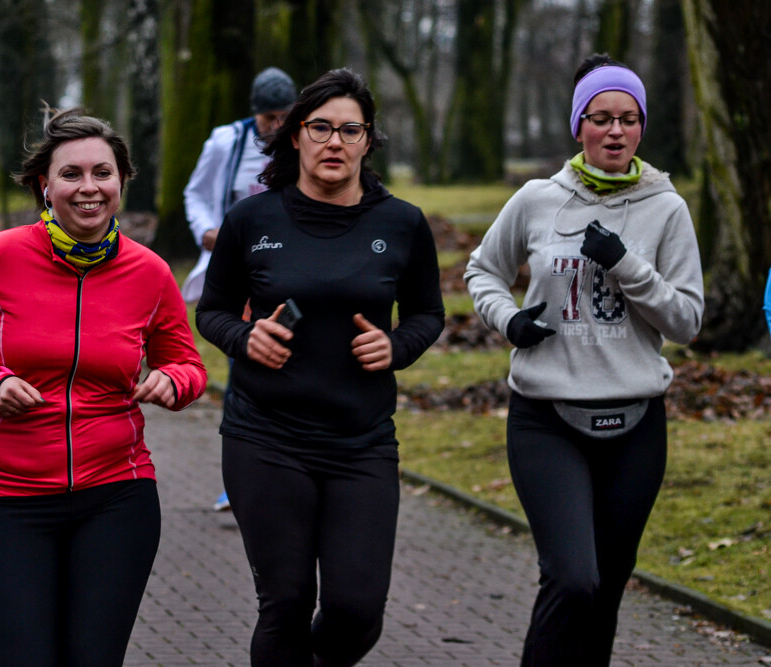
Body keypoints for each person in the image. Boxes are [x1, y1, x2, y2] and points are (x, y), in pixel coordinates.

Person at [0, 106, 207, 666]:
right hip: (8, 498)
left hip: (117, 499)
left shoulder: (149, 272)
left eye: (102, 173)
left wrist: (174, 380)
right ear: (44, 185)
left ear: (122, 181)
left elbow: (188, 365)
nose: (88, 188)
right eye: (71, 174)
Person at [196, 68, 444, 666]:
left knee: (357, 611)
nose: (335, 142)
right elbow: (213, 311)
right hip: (266, 436)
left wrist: (397, 347)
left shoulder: (402, 223)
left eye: (350, 130)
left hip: (361, 442)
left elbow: (427, 314)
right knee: (283, 604)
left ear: (368, 141)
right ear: (296, 136)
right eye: (321, 128)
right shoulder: (253, 219)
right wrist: (246, 337)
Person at [464, 54, 704, 666]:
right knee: (573, 579)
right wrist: (509, 319)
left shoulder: (666, 208)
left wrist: (628, 265)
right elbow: (483, 271)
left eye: (628, 118)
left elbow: (686, 322)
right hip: (547, 418)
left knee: (605, 594)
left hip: (636, 424)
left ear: (641, 127)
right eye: (601, 118)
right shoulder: (538, 200)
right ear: (580, 126)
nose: (616, 131)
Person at [182, 66, 297, 512]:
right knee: (245, 364)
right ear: (255, 115)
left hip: (289, 270)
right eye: (267, 118)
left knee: (289, 359)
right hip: (241, 273)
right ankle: (241, 479)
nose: (275, 127)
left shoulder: (303, 139)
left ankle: (287, 469)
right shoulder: (226, 143)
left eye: (283, 117)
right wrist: (206, 230)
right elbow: (195, 193)